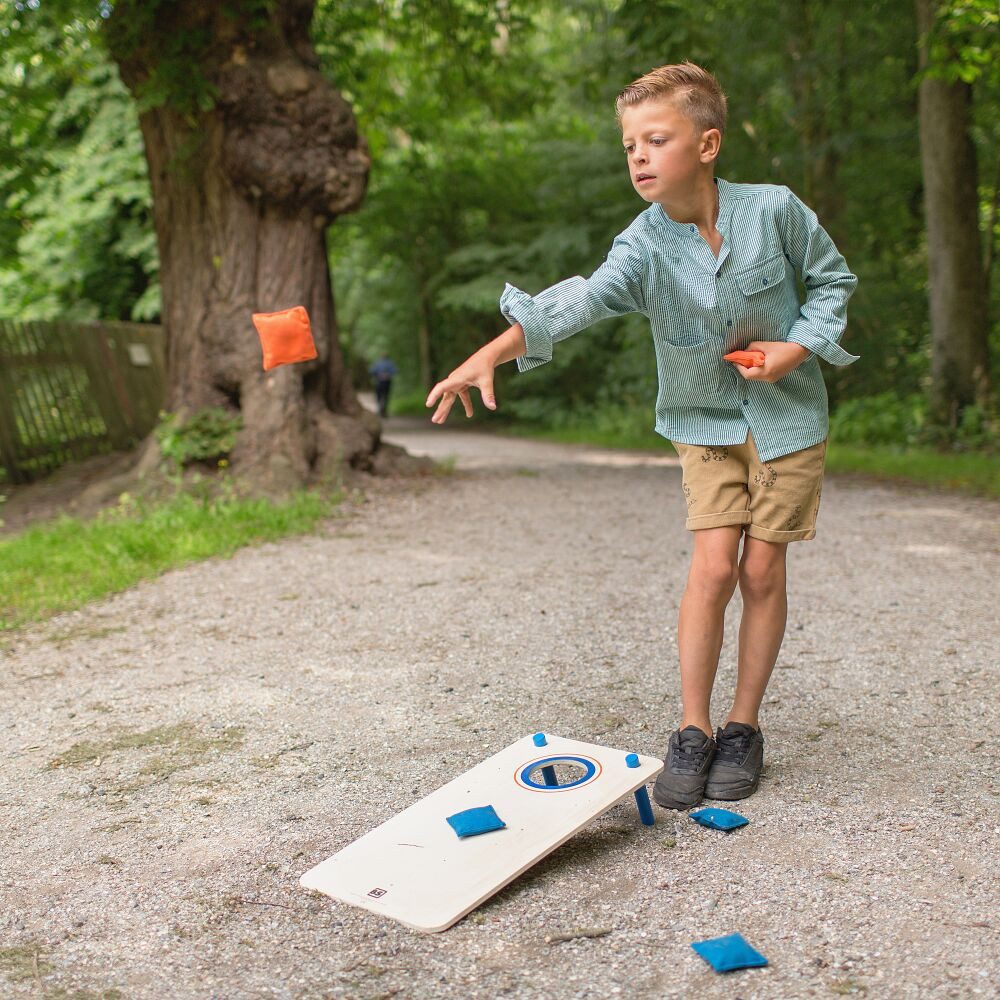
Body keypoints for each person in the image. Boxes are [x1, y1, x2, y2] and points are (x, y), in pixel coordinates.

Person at [424, 62, 858, 810]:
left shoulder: (776, 211)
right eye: (630, 144)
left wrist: (797, 346)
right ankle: (692, 728)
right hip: (702, 424)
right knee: (714, 567)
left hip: (787, 414)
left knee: (761, 572)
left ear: (708, 142)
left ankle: (742, 726)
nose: (639, 156)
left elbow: (833, 282)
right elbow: (581, 299)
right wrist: (493, 350)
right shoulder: (643, 245)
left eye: (656, 139)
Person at [369, 353, 398, 418]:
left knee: (380, 396)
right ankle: (383, 409)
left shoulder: (377, 363)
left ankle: (381, 409)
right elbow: (395, 370)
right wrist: (387, 375)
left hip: (380, 382)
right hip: (385, 382)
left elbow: (371, 371)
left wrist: (378, 375)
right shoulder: (390, 363)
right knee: (385, 396)